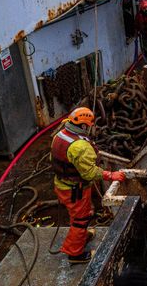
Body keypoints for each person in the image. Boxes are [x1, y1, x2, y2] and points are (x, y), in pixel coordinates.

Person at [51, 107, 126, 264]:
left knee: (81, 214)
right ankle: (75, 254)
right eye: (91, 125)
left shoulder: (60, 135)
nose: (93, 127)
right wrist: (111, 175)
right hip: (74, 190)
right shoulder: (80, 147)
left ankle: (82, 237)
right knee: (81, 219)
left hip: (62, 185)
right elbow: (89, 173)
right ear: (84, 126)